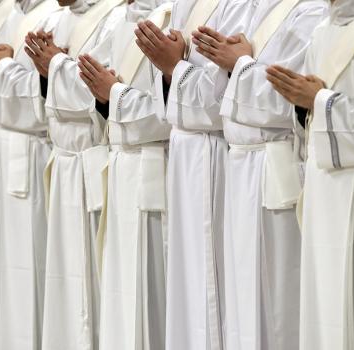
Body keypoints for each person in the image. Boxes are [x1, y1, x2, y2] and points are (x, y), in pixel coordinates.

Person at [267, 0, 354, 348]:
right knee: (325, 305)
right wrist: (304, 107)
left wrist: (320, 101)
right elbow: (310, 117)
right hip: (324, 191)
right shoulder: (320, 33)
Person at [192, 0, 327, 348]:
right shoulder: (248, 8)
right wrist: (233, 64)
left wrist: (238, 64)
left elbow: (289, 100)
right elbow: (216, 87)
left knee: (278, 301)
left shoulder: (310, 12)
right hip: (238, 165)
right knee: (239, 300)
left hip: (274, 165)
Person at [135, 0, 250, 348]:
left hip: (213, 156)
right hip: (184, 153)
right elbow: (166, 100)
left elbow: (223, 100)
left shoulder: (239, 6)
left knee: (212, 293)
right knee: (185, 287)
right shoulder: (184, 4)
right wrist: (169, 70)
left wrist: (174, 68)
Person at [22, 0, 127, 348]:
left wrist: (54, 65)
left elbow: (97, 93)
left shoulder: (115, 17)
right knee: (66, 279)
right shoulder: (58, 19)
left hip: (91, 163)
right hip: (64, 161)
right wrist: (49, 69)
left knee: (94, 281)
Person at [0, 0, 62, 347]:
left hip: (36, 154)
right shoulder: (19, 14)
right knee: (9, 277)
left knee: (32, 274)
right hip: (8, 151)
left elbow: (47, 99)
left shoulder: (52, 14)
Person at [77, 0, 172, 349]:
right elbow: (101, 96)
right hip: (120, 169)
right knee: (119, 293)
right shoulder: (120, 22)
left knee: (153, 298)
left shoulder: (174, 16)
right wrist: (104, 97)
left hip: (154, 173)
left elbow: (172, 110)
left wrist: (113, 94)